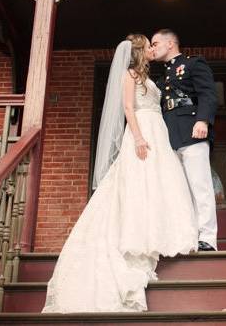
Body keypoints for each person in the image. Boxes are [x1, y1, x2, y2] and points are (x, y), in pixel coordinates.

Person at [41, 35, 198, 313]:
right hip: (142, 133)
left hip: (157, 131)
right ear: (139, 50)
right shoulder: (129, 75)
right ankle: (139, 237)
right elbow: (128, 108)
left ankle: (161, 231)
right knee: (139, 184)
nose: (152, 48)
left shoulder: (148, 77)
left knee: (160, 184)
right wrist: (138, 138)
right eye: (149, 45)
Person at [150, 29, 219, 251]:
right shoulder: (162, 77)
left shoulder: (193, 64)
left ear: (170, 43)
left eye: (155, 43)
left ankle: (208, 238)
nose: (153, 48)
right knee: (179, 190)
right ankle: (188, 237)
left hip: (192, 131)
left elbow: (208, 94)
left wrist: (203, 121)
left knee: (200, 187)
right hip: (169, 136)